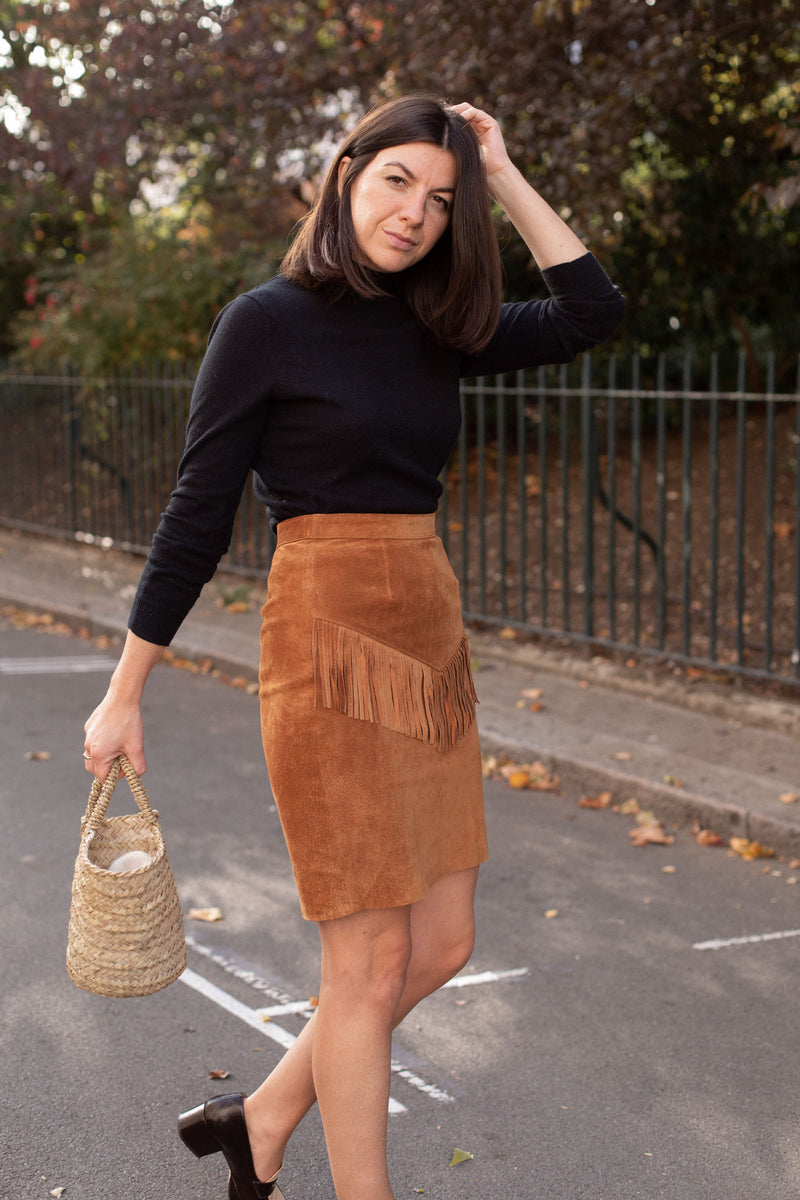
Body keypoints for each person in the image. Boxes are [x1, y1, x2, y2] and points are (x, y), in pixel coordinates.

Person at [83, 95, 625, 1200]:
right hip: (324, 639)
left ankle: (263, 1118)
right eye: (396, 183)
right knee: (367, 960)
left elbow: (588, 311)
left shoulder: (435, 322)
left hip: (426, 635)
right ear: (343, 174)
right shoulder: (266, 320)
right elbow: (198, 509)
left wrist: (502, 171)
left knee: (440, 947)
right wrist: (124, 690)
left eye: (439, 200)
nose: (415, 215)